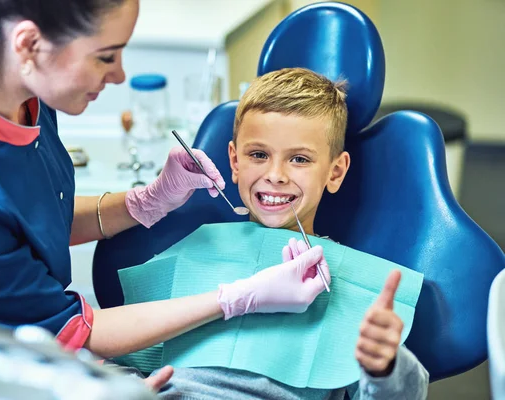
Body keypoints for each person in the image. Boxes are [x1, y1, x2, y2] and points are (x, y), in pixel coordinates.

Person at [0, 0, 331, 392]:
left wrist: (145, 201)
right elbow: (71, 331)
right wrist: (237, 298)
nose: (120, 75)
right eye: (106, 56)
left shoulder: (29, 97)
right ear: (30, 46)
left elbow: (30, 220)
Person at [145, 68, 429, 399]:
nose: (275, 175)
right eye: (259, 155)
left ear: (335, 172)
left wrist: (385, 367)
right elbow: (122, 354)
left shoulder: (355, 287)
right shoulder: (193, 252)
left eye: (298, 159)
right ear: (234, 162)